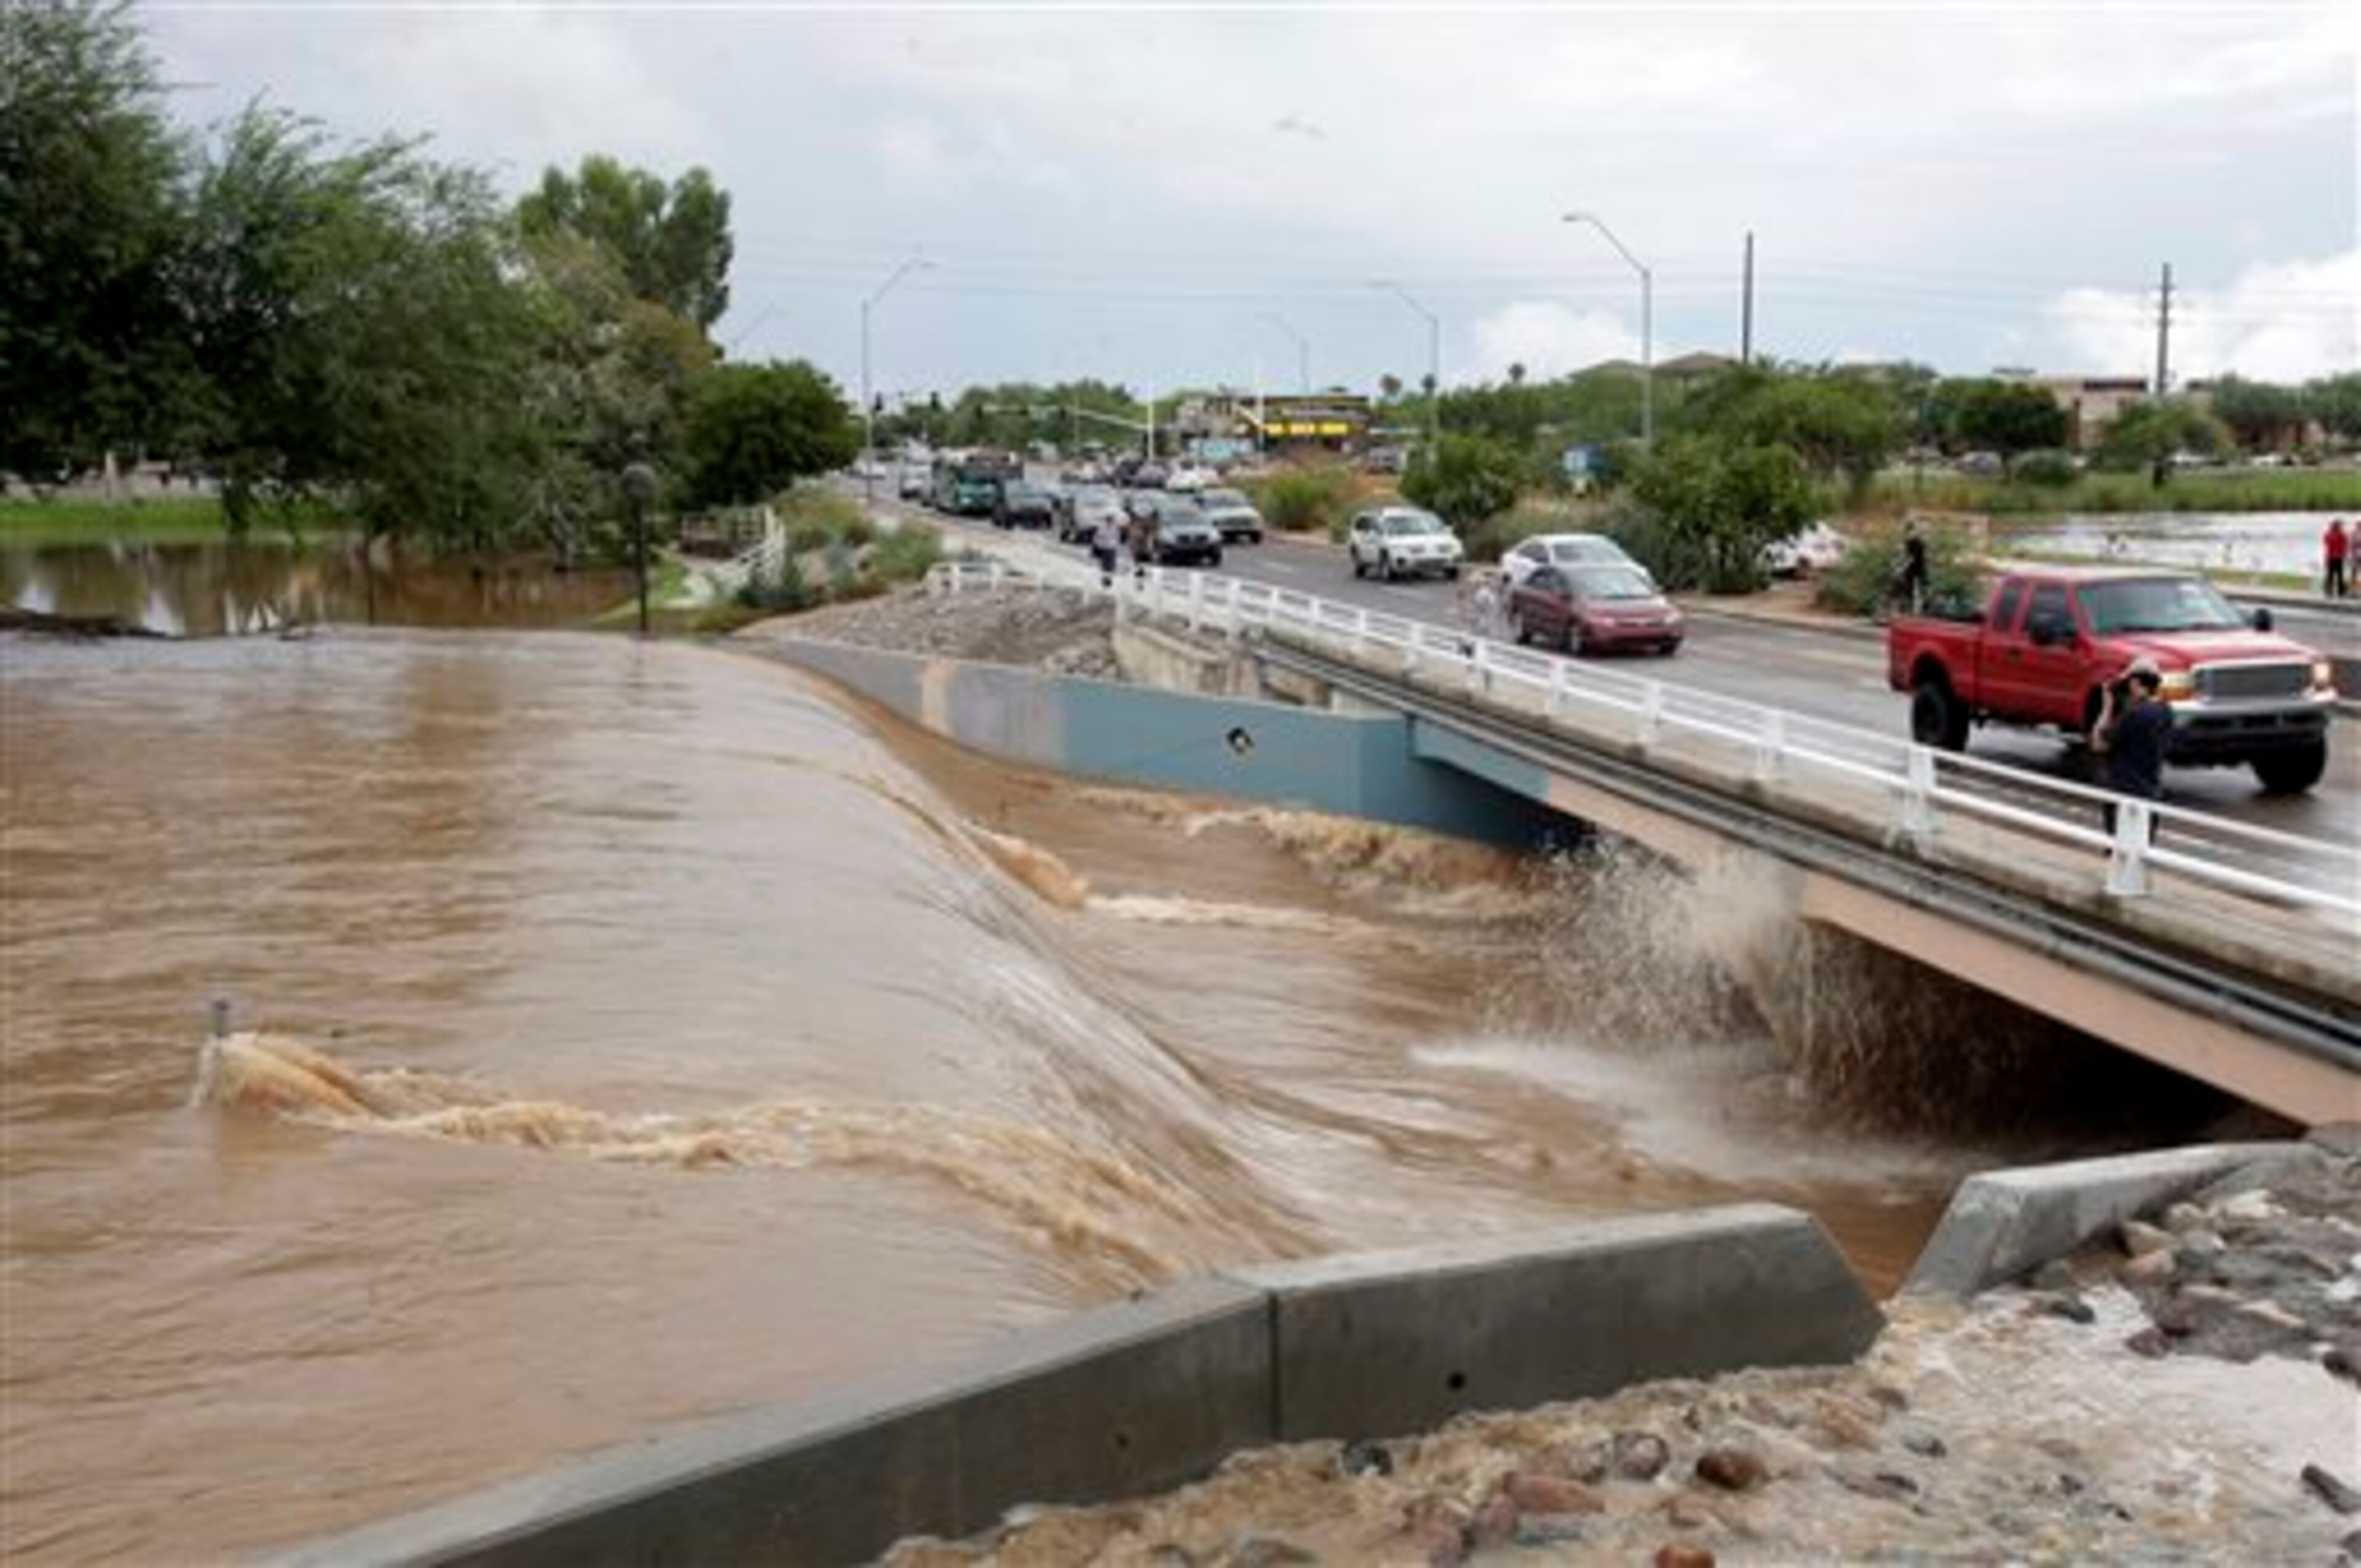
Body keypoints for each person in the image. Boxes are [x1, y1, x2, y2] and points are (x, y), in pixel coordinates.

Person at [2092, 655, 2172, 842]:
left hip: (2124, 793)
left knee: (2119, 850)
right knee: (2142, 851)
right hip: (2151, 793)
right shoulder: (2166, 712)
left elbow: (2098, 743)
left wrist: (2107, 706)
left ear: (2135, 682)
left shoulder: (2133, 715)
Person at [1894, 522, 1931, 615]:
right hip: (1915, 570)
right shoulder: (1913, 542)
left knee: (1914, 590)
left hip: (1916, 570)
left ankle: (1916, 609)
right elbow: (1906, 556)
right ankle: (1910, 609)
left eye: (1909, 532)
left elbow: (1911, 558)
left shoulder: (1914, 542)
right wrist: (1898, 564)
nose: (1907, 535)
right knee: (1909, 590)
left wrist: (1901, 568)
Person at [1091, 512, 1121, 587]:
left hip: (1112, 547)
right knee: (1105, 565)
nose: (1110, 521)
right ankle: (1106, 577)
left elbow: (1117, 537)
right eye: (1109, 520)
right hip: (1104, 547)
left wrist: (1115, 544)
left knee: (1111, 564)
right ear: (1107, 520)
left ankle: (1108, 577)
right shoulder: (1102, 527)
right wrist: (1099, 544)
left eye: (1111, 520)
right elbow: (1097, 537)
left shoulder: (1115, 527)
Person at [2324, 518, 2350, 600]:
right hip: (2337, 557)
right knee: (2339, 575)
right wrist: (2344, 554)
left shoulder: (2329, 534)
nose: (2341, 527)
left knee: (2331, 574)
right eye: (2340, 525)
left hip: (2331, 556)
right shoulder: (2341, 534)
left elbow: (2327, 544)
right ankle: (2340, 592)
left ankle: (2329, 591)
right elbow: (2345, 545)